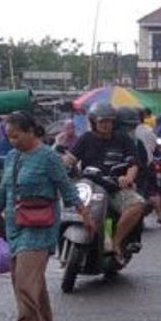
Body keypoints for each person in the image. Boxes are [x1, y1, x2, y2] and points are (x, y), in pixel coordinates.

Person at [0, 112, 93, 321]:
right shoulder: (13, 157)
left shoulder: (48, 157)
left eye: (16, 136)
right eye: (9, 137)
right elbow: (4, 190)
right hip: (15, 224)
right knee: (25, 277)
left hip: (41, 225)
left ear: (30, 131)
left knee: (25, 278)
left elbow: (66, 188)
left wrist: (84, 213)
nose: (12, 141)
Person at [65, 103, 145, 261]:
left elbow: (133, 163)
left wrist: (128, 177)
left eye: (109, 121)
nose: (106, 125)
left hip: (115, 187)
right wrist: (64, 162)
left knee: (137, 204)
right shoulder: (86, 138)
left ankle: (116, 242)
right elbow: (72, 157)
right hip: (90, 186)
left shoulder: (122, 139)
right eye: (102, 121)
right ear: (94, 122)